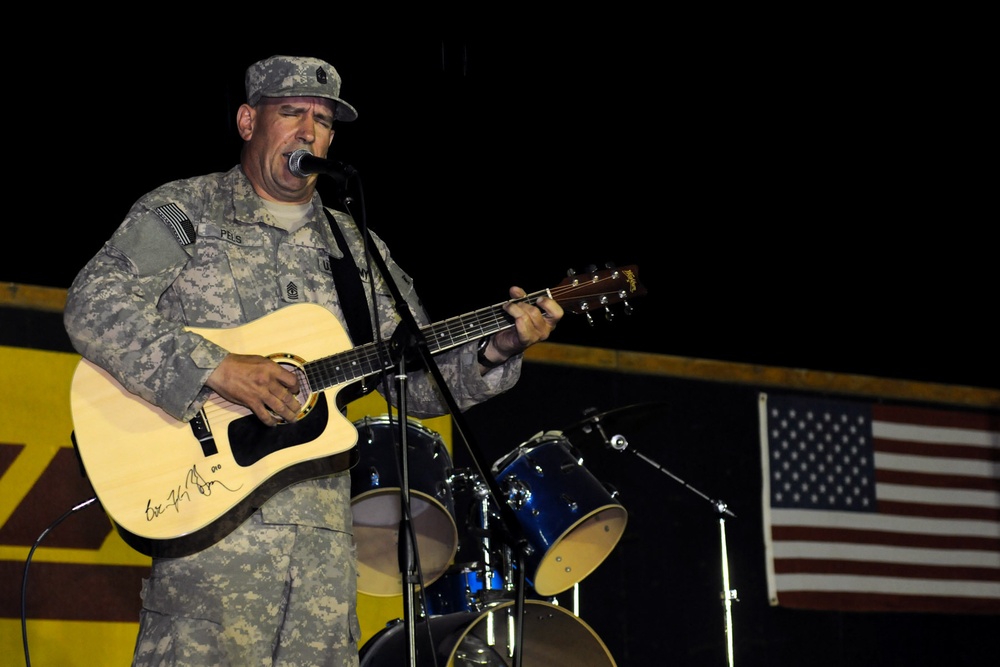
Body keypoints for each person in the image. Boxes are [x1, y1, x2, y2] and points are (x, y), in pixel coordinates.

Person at [63, 54, 563, 667]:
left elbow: (421, 380)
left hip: (322, 570)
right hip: (211, 559)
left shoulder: (356, 247)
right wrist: (213, 367)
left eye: (324, 121)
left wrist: (498, 348)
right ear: (249, 121)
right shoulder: (188, 211)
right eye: (291, 112)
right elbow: (94, 302)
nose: (309, 131)